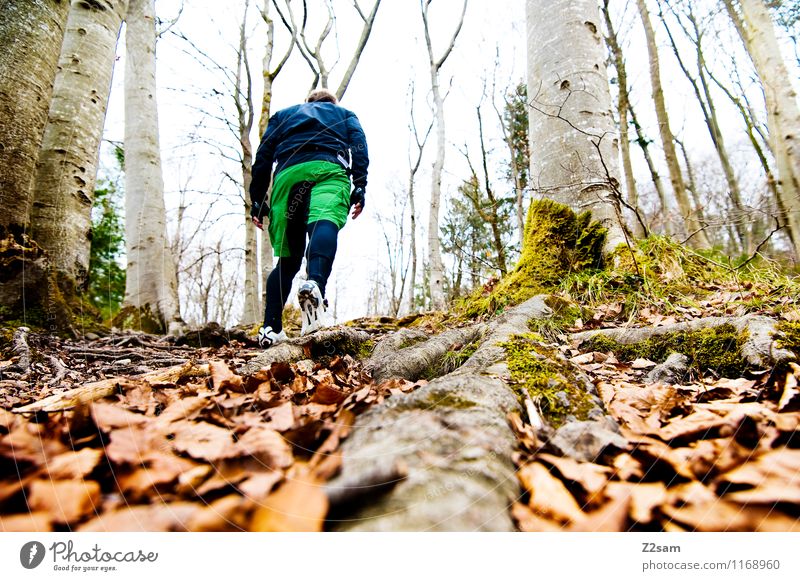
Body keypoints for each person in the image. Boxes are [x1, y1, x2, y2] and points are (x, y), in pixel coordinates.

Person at [249, 89, 368, 347]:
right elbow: (359, 145)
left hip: (287, 176)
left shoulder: (283, 115)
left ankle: (270, 327)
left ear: (308, 103)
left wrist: (257, 199)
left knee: (288, 260)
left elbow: (263, 154)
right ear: (331, 103)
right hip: (327, 169)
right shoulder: (344, 114)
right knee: (323, 224)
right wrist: (359, 184)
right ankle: (314, 284)